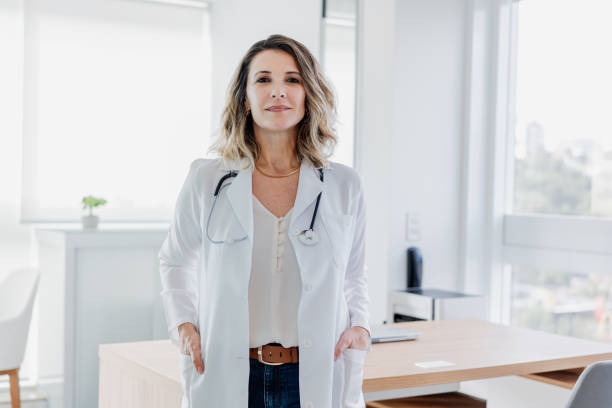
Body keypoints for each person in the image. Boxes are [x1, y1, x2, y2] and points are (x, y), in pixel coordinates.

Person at [159, 34, 371, 408]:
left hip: (312, 376)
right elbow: (175, 260)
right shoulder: (207, 180)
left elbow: (355, 273)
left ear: (308, 95)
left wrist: (360, 326)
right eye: (263, 80)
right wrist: (184, 325)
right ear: (245, 99)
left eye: (292, 80)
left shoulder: (344, 185)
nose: (278, 91)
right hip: (231, 373)